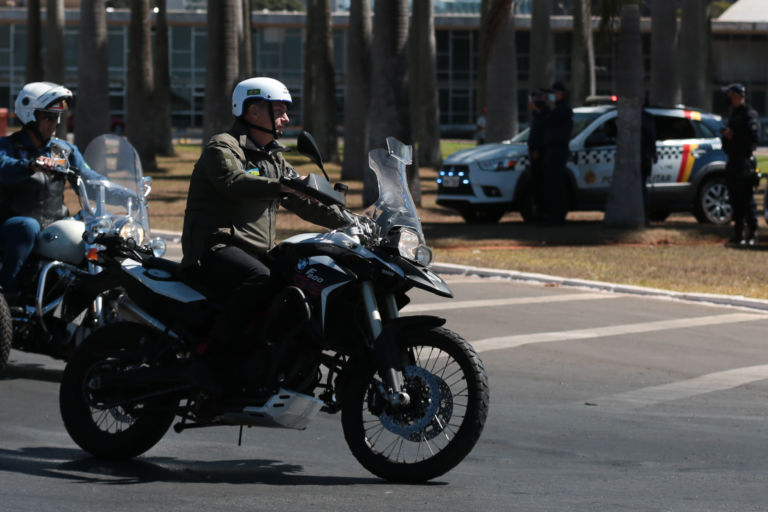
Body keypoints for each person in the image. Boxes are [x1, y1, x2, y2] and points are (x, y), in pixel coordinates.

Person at [180, 77, 346, 383]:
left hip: (253, 251)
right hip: (214, 248)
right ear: (254, 112)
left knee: (303, 276)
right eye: (279, 110)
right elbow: (233, 183)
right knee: (261, 278)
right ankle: (210, 358)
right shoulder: (223, 147)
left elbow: (305, 203)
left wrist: (351, 221)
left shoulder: (273, 158)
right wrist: (281, 186)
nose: (286, 118)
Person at [0, 81, 126, 298]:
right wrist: (30, 165)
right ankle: (8, 297)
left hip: (56, 223)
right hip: (15, 223)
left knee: (98, 229)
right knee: (27, 227)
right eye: (48, 117)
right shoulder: (8, 146)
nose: (55, 123)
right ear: (31, 117)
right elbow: (4, 167)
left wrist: (124, 194)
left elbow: (89, 179)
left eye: (58, 117)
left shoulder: (64, 150)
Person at [720, 83, 760, 246]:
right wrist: (727, 138)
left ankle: (752, 232)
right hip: (733, 161)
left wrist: (734, 137)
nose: (728, 99)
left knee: (746, 199)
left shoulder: (749, 115)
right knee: (734, 198)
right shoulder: (733, 114)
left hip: (744, 163)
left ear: (738, 96)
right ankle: (738, 233)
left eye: (731, 96)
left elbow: (752, 141)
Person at [541, 81, 573, 224]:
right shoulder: (559, 110)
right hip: (554, 151)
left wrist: (543, 110)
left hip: (557, 151)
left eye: (554, 93)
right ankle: (553, 214)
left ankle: (556, 216)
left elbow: (549, 124)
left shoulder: (562, 111)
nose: (552, 96)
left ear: (561, 94)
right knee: (552, 184)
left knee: (555, 185)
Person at [527, 89, 550, 222]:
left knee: (542, 186)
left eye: (540, 97)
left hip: (541, 157)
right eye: (535, 98)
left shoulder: (546, 115)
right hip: (535, 156)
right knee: (536, 187)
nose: (536, 100)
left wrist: (538, 151)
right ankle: (538, 213)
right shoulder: (537, 115)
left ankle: (543, 214)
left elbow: (543, 137)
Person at [641, 105, 657, 225]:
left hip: (642, 159)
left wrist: (651, 154)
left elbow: (651, 138)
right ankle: (645, 217)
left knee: (641, 189)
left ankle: (645, 217)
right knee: (642, 188)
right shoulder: (647, 118)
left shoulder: (643, 118)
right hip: (644, 158)